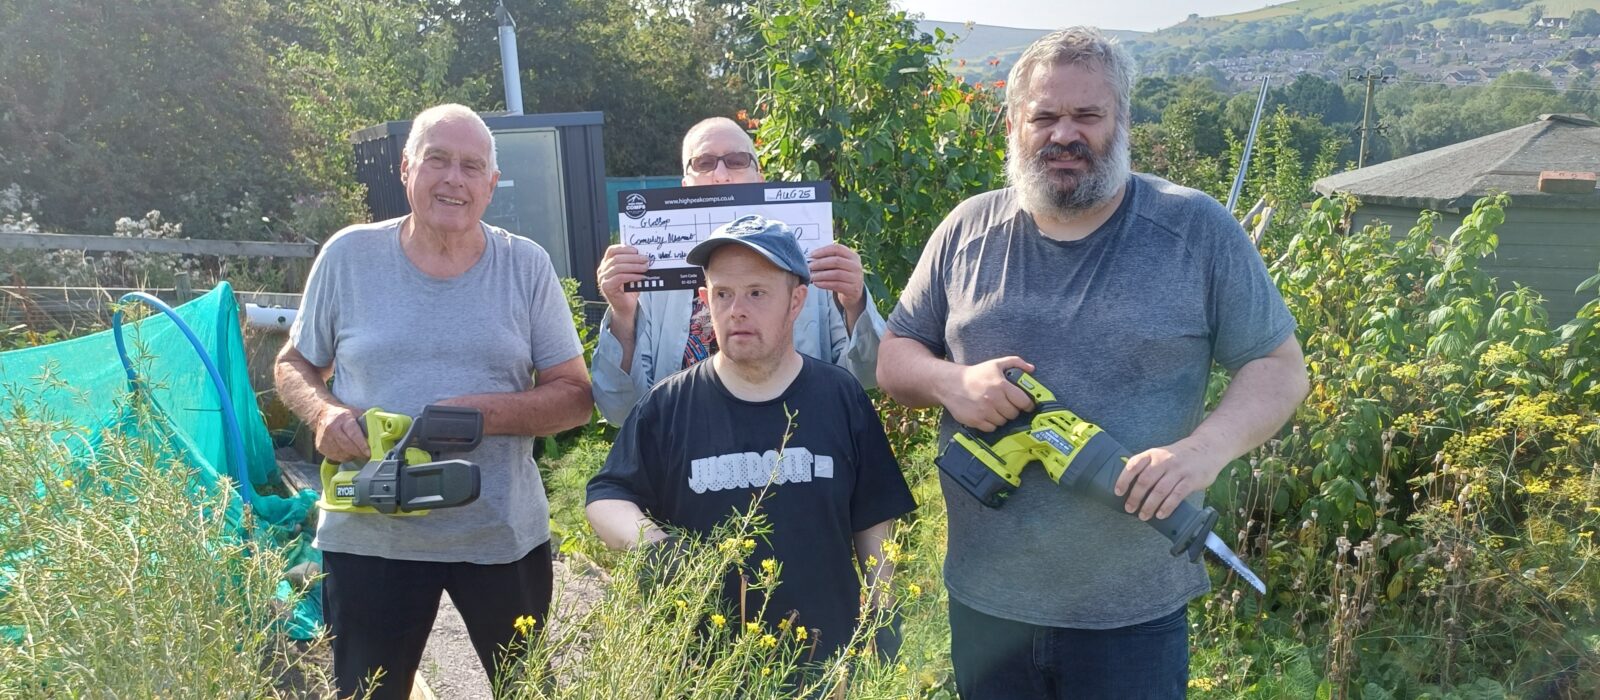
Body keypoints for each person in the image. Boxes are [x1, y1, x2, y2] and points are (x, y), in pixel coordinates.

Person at [875, 28, 1309, 699]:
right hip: (988, 606)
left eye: (1087, 115)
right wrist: (950, 382)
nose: (1063, 135)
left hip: (1131, 617)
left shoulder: (1194, 231)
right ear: (1016, 125)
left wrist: (1202, 453)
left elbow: (1279, 367)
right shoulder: (964, 232)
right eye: (1044, 117)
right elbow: (895, 355)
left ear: (1123, 121)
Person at [275, 104, 593, 699]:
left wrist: (482, 415)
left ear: (491, 185)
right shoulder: (349, 256)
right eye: (437, 160)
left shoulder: (525, 266)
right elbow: (294, 363)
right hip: (371, 535)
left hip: (497, 535)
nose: (454, 179)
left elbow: (576, 398)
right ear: (406, 168)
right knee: (370, 692)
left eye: (472, 166)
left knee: (526, 690)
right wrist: (322, 413)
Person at [585, 215, 916, 662]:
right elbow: (606, 496)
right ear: (705, 300)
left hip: (825, 660)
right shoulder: (667, 405)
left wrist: (883, 614)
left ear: (796, 301)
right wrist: (656, 548)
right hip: (701, 670)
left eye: (757, 293)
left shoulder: (839, 397)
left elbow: (873, 513)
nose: (736, 309)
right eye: (723, 294)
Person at [590, 117, 885, 424]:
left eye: (736, 161)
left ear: (759, 178)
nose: (720, 176)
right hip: (683, 455)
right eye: (703, 163)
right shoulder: (650, 278)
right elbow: (620, 412)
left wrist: (854, 303)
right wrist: (623, 316)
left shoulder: (810, 262)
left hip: (795, 444)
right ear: (685, 185)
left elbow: (866, 377)